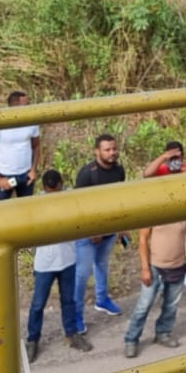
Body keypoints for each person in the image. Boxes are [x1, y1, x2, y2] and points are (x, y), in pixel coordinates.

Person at [25, 170, 89, 362]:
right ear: (44, 188)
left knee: (69, 300)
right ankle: (32, 340)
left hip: (68, 259)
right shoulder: (36, 204)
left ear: (61, 184)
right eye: (49, 190)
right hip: (44, 263)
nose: (53, 193)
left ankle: (71, 334)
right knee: (38, 304)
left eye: (56, 189)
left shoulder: (70, 199)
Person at [140, 141, 186, 309]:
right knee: (161, 257)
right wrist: (164, 158)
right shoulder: (161, 170)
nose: (174, 160)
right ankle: (161, 291)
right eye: (171, 157)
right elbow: (147, 174)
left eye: (177, 156)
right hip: (163, 218)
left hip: (185, 217)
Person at [122, 214, 186, 358]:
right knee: (144, 305)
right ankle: (131, 339)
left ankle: (163, 332)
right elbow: (143, 239)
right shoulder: (154, 211)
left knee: (171, 305)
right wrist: (145, 269)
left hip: (178, 266)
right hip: (154, 267)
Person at [74, 133, 126, 319]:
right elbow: (78, 205)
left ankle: (102, 299)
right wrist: (92, 230)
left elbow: (120, 198)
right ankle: (76, 314)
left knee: (102, 264)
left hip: (109, 229)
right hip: (88, 233)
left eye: (114, 149)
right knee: (82, 274)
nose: (112, 153)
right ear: (97, 151)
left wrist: (122, 225)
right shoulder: (87, 173)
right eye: (107, 150)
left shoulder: (119, 170)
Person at [0, 93, 39, 201]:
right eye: (26, 104)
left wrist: (33, 170)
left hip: (26, 175)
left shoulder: (32, 121)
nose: (29, 107)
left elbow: (36, 146)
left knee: (27, 208)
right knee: (0, 209)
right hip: (4, 175)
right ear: (15, 106)